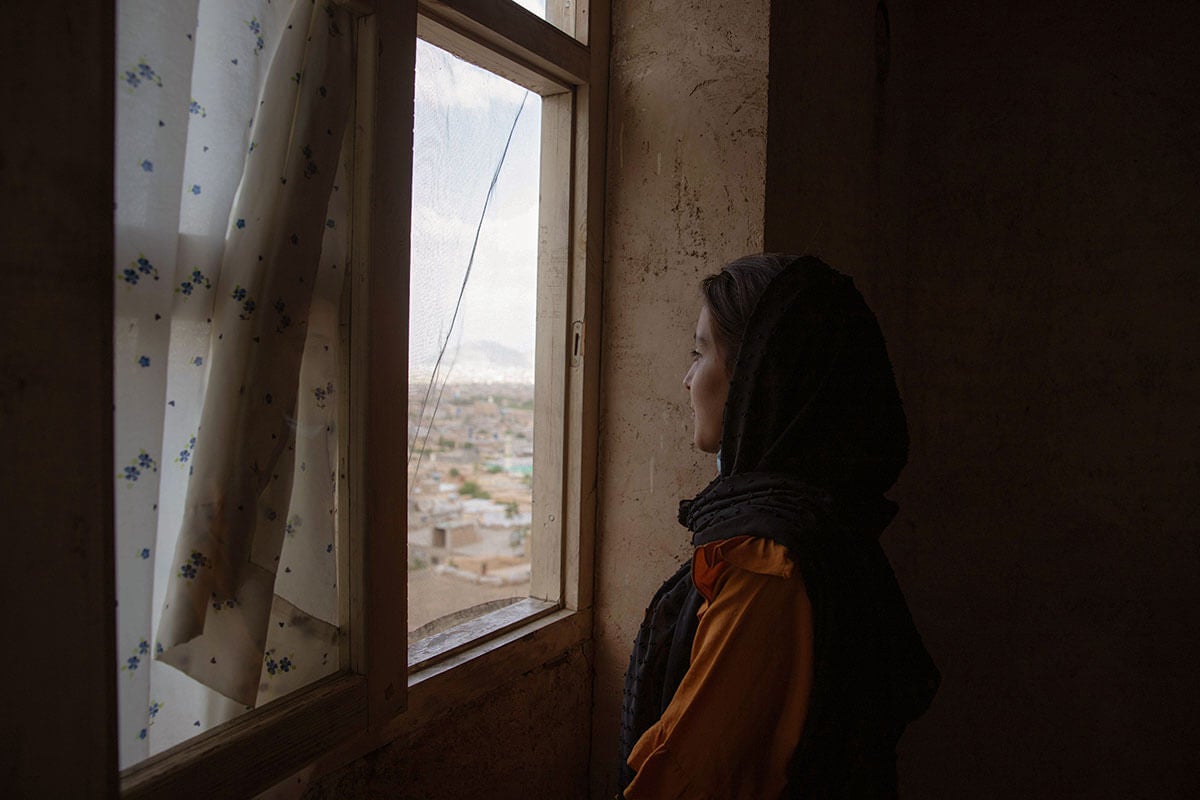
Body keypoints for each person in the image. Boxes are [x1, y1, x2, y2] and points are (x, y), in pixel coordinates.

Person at [618, 254, 940, 798]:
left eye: (700, 354)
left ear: (756, 379)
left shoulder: (766, 565)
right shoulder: (828, 522)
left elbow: (682, 779)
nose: (687, 378)